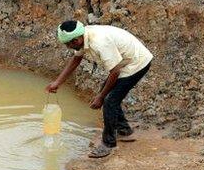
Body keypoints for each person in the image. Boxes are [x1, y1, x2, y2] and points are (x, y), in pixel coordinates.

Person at [45, 21, 152, 158]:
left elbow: (115, 72)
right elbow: (76, 59)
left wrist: (100, 97)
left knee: (109, 101)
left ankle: (108, 144)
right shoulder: (83, 37)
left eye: (69, 44)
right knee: (110, 95)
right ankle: (124, 130)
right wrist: (58, 82)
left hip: (137, 63)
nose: (68, 47)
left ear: (76, 40)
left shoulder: (100, 43)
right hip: (125, 61)